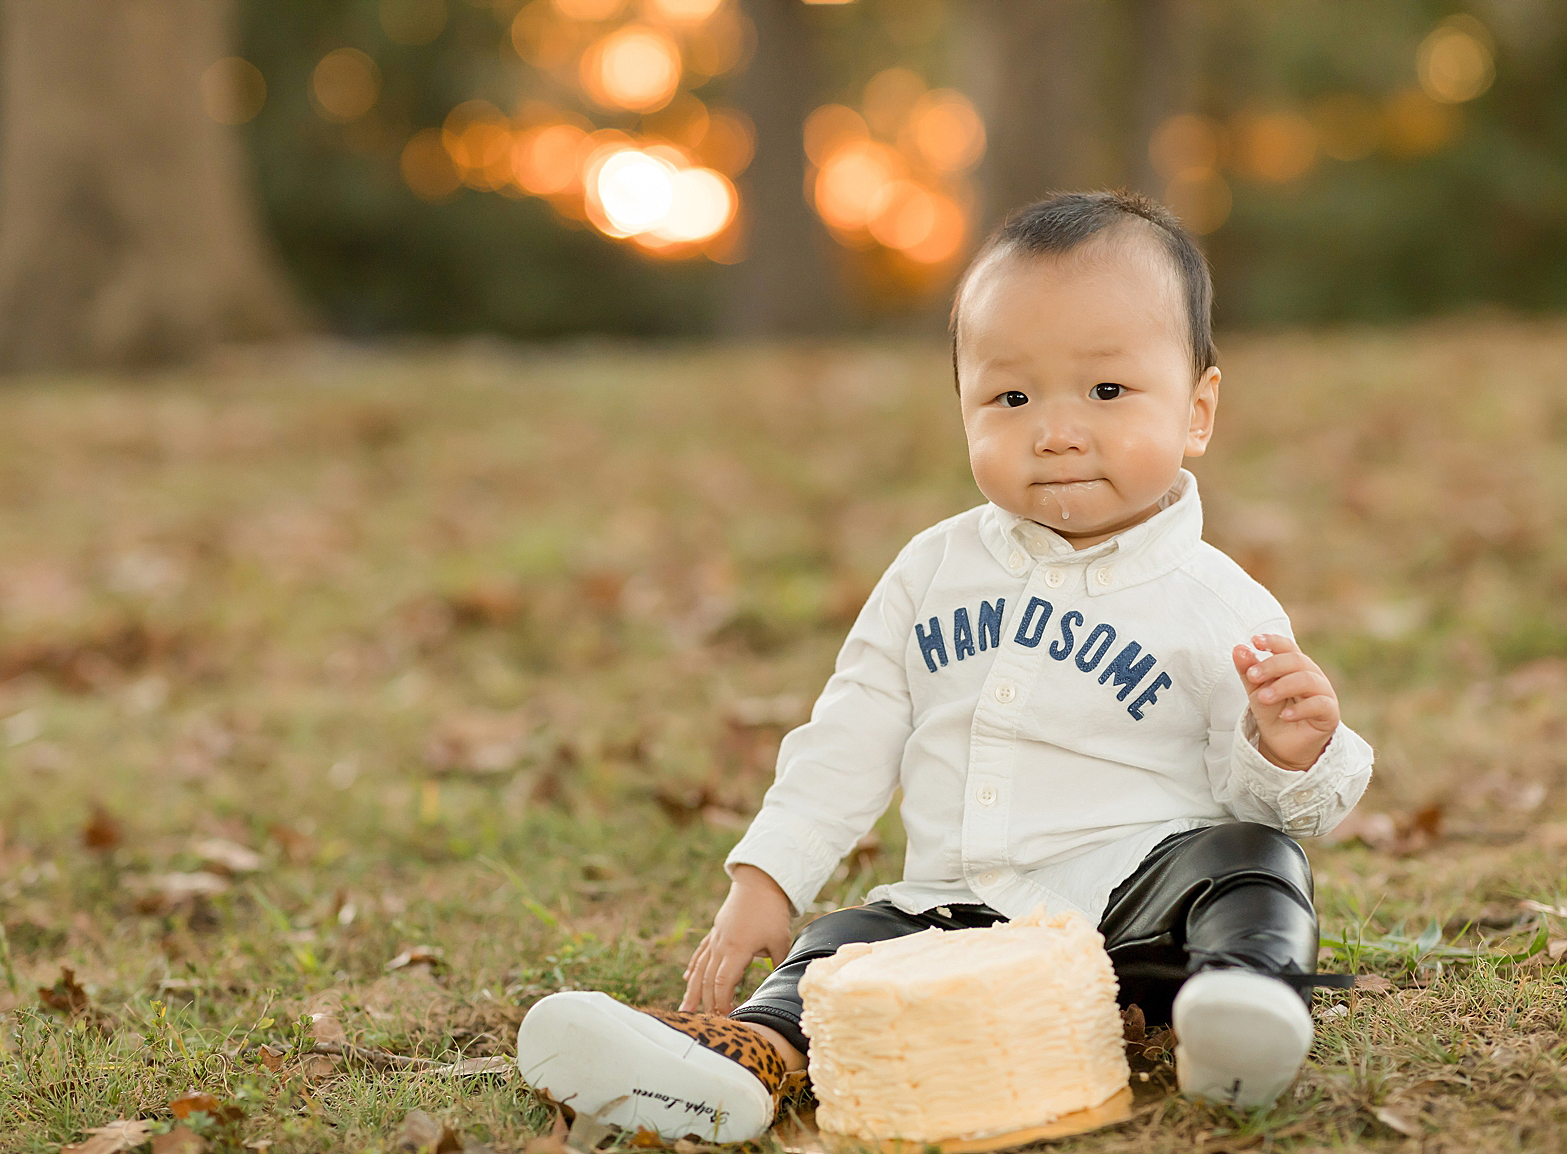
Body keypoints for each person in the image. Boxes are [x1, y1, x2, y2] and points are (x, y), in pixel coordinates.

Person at [514, 191, 1375, 1141]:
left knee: (1252, 862)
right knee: (836, 950)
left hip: (1137, 925)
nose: (1054, 431)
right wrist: (769, 880)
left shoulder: (1218, 604)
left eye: (1106, 392)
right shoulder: (933, 571)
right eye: (1011, 397)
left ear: (1198, 408)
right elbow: (851, 729)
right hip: (950, 918)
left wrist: (1291, 750)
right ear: (963, 404)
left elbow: (1276, 800)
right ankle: (742, 1064)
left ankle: (1243, 1011)